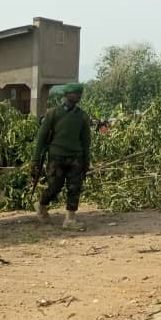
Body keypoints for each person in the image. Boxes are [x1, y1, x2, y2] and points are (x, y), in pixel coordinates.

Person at [32, 83, 93, 228]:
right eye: (76, 93)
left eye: (80, 93)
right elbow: (42, 137)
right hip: (56, 156)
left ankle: (70, 219)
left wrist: (86, 161)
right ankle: (41, 205)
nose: (79, 96)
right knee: (54, 186)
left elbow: (86, 141)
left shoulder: (82, 116)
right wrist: (35, 159)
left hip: (76, 157)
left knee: (75, 188)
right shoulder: (53, 114)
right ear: (66, 94)